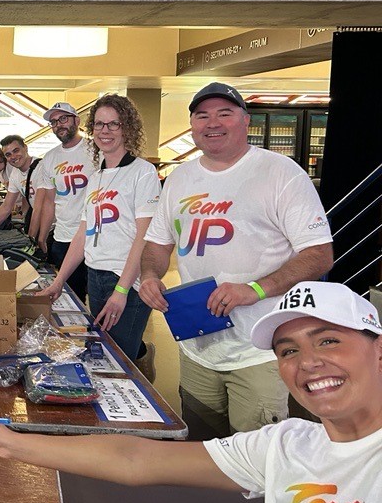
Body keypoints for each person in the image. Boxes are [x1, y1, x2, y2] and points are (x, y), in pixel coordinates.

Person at [0, 281, 382, 503]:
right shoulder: (286, 444)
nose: (307, 362)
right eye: (288, 350)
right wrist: (13, 441)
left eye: (329, 341)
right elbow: (135, 458)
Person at [140, 82, 334, 437]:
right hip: (197, 348)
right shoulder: (180, 178)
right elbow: (156, 242)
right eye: (202, 115)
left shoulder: (280, 173)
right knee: (202, 450)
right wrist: (150, 276)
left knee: (254, 462)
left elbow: (319, 253)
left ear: (246, 121)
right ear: (193, 126)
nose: (213, 122)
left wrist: (256, 289)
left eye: (224, 113)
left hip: (258, 350)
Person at [41, 95, 160, 364]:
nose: (105, 131)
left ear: (127, 128)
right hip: (96, 276)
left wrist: (121, 290)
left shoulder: (143, 173)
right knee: (104, 352)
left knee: (118, 359)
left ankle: (144, 364)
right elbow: (84, 232)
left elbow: (145, 237)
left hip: (126, 280)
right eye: (99, 124)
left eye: (113, 124)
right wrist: (59, 281)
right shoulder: (96, 177)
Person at [31, 102, 97, 301]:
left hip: (93, 239)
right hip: (63, 237)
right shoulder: (50, 159)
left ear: (77, 120)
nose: (58, 125)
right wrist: (42, 237)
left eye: (63, 119)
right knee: (72, 298)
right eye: (53, 122)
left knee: (96, 299)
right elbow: (50, 202)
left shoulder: (96, 150)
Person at [0, 135, 39, 234]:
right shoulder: (15, 174)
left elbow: (40, 204)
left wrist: (24, 215)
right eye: (8, 154)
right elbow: (6, 206)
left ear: (25, 147)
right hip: (36, 218)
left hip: (54, 224)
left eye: (16, 151)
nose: (13, 156)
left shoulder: (41, 168)